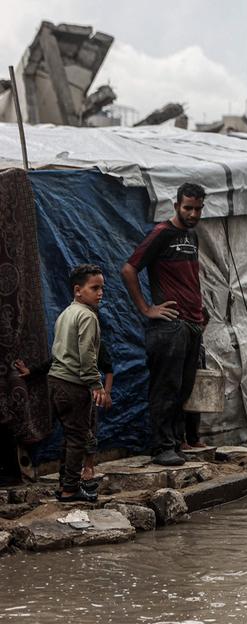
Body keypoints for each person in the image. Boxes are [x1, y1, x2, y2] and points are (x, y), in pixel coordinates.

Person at [121, 182, 208, 466]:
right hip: (171, 326)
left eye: (197, 208)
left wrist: (200, 308)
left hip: (192, 323)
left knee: (184, 389)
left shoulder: (191, 236)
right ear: (176, 206)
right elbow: (129, 269)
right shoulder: (162, 233)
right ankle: (161, 447)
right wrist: (147, 308)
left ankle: (175, 442)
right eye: (188, 208)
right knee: (166, 388)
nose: (193, 214)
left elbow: (189, 279)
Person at [13, 333, 113, 492]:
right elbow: (50, 363)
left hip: (87, 393)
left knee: (88, 432)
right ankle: (67, 481)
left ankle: (87, 468)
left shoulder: (96, 343)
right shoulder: (68, 345)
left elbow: (108, 369)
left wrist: (106, 393)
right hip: (68, 392)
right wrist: (30, 371)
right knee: (71, 437)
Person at [43, 264, 109, 502]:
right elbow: (87, 355)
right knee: (78, 438)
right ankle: (70, 489)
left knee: (70, 436)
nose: (100, 293)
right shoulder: (87, 316)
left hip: (55, 382)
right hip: (73, 385)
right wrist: (96, 384)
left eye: (102, 288)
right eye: (95, 288)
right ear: (78, 290)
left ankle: (64, 485)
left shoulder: (66, 313)